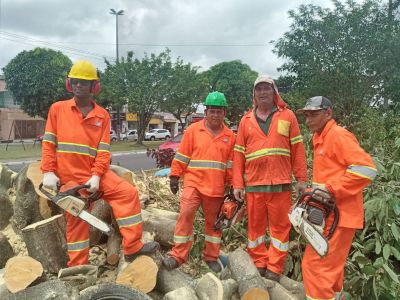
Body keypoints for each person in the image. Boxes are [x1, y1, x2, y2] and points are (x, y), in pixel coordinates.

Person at [41, 60, 159, 266]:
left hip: (95, 175)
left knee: (127, 193)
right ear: (70, 83)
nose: (79, 86)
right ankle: (78, 267)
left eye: (84, 83)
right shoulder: (57, 109)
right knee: (76, 218)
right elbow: (49, 143)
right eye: (76, 81)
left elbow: (103, 150)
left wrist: (96, 176)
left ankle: (132, 247)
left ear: (93, 86)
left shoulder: (102, 115)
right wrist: (48, 171)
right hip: (69, 178)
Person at [297, 96, 376, 299]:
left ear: (328, 113)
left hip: (340, 216)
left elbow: (366, 170)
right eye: (306, 115)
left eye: (313, 114)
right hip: (329, 215)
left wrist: (331, 189)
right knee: (332, 273)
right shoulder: (321, 137)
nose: (308, 120)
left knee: (315, 268)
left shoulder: (338, 136)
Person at [232, 75, 308, 281]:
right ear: (254, 94)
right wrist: (238, 183)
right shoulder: (245, 120)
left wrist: (301, 178)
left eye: (267, 88)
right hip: (255, 185)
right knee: (255, 229)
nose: (263, 92)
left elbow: (297, 149)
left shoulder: (288, 116)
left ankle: (274, 267)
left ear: (274, 93)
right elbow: (238, 154)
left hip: (280, 184)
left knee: (280, 228)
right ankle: (259, 263)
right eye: (259, 89)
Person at [162, 91, 235, 273]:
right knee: (185, 215)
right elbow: (183, 155)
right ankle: (178, 256)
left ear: (224, 113)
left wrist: (233, 186)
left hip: (216, 188)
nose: (216, 115)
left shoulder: (230, 137)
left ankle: (211, 256)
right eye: (212, 111)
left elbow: (231, 165)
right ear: (206, 112)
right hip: (193, 183)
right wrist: (174, 175)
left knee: (214, 224)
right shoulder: (193, 131)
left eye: (219, 111)